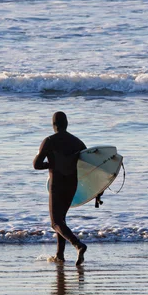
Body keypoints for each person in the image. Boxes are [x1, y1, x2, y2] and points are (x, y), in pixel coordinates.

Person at [33, 111, 88, 265]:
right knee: (61, 219)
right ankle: (60, 255)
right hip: (72, 185)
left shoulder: (49, 141)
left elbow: (36, 165)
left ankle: (78, 245)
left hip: (57, 183)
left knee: (55, 222)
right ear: (67, 124)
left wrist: (50, 165)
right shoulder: (77, 142)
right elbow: (88, 164)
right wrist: (98, 189)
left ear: (54, 125)